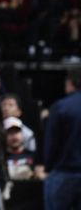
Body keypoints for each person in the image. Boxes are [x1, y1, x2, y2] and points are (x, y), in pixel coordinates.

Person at [44, 68, 81, 210]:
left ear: (70, 83)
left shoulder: (61, 107)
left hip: (65, 172)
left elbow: (51, 143)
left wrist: (48, 167)